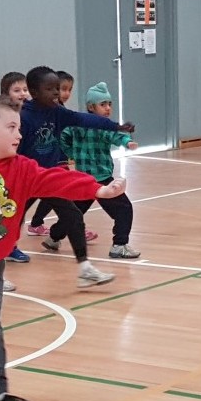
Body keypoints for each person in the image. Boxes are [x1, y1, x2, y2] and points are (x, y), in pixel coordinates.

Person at [0, 94, 127, 401]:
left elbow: (57, 180)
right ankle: (0, 397)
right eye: (11, 127)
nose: (19, 134)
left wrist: (98, 190)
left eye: (19, 127)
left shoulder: (22, 169)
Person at [18, 66, 134, 287]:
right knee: (10, 220)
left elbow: (85, 119)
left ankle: (85, 269)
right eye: (50, 89)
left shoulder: (57, 112)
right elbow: (15, 152)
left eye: (57, 88)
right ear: (34, 91)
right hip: (25, 178)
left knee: (73, 216)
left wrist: (116, 127)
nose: (56, 93)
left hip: (49, 178)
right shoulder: (24, 117)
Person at [60, 82, 140, 259]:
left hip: (83, 179)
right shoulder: (102, 126)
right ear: (91, 107)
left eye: (109, 104)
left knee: (74, 213)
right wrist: (127, 142)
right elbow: (116, 135)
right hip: (101, 179)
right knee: (124, 209)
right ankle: (119, 245)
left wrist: (127, 142)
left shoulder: (77, 125)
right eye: (103, 104)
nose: (108, 108)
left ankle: (54, 237)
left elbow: (63, 137)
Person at [27, 70, 98, 242]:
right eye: (62, 89)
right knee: (54, 193)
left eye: (69, 89)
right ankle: (69, 227)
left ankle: (38, 223)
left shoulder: (60, 111)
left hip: (59, 160)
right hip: (51, 162)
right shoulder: (46, 111)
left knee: (52, 193)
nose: (65, 93)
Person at [0, 72, 31, 270]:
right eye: (16, 90)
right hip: (4, 171)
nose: (22, 94)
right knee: (4, 211)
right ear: (6, 93)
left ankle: (10, 246)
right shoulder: (0, 116)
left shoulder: (30, 114)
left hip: (23, 170)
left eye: (25, 90)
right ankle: (2, 248)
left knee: (17, 211)